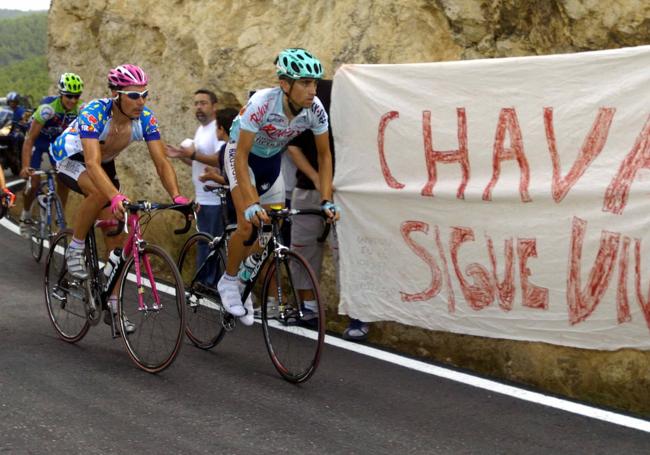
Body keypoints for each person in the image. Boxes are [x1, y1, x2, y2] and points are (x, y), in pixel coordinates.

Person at [50, 64, 190, 333]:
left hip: (105, 162)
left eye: (145, 94)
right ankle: (75, 248)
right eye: (134, 95)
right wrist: (115, 197)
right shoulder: (94, 112)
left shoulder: (145, 119)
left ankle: (113, 306)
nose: (141, 101)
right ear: (116, 94)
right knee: (102, 193)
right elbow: (91, 162)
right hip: (71, 157)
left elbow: (161, 161)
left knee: (117, 237)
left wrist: (177, 196)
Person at [215, 48, 340, 327]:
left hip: (271, 163)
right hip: (241, 157)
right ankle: (229, 280)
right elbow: (242, 155)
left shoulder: (315, 110)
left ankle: (246, 278)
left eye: (315, 83)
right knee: (247, 224)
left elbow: (324, 156)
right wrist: (249, 203)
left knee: (270, 229)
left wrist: (326, 199)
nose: (312, 90)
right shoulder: (262, 103)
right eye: (305, 83)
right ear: (285, 84)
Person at [287, 80, 369, 342]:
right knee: (303, 249)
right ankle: (308, 310)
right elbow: (293, 145)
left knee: (344, 253)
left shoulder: (354, 101)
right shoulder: (309, 102)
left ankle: (357, 316)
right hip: (307, 190)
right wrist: (314, 177)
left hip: (343, 192)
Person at [18, 73, 84, 237]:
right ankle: (25, 215)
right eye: (69, 96)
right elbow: (29, 139)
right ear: (61, 94)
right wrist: (26, 166)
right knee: (33, 183)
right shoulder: (48, 110)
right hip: (39, 144)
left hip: (57, 146)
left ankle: (58, 217)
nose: (73, 101)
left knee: (63, 180)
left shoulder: (79, 110)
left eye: (76, 96)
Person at [165, 89, 225, 237]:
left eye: (203, 103)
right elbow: (199, 163)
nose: (198, 107)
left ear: (214, 106)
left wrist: (192, 154)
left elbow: (220, 160)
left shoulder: (218, 128)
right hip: (202, 200)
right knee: (204, 246)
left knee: (212, 250)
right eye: (196, 104)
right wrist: (181, 155)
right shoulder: (201, 129)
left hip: (215, 201)